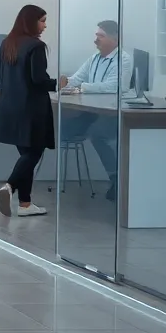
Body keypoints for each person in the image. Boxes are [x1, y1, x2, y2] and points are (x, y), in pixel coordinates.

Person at [57, 19, 132, 200]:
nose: (96, 40)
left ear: (115, 38)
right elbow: (76, 78)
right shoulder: (95, 58)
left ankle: (116, 179)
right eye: (96, 36)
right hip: (91, 111)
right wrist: (63, 83)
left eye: (101, 36)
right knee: (63, 129)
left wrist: (83, 88)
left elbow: (115, 86)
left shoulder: (124, 59)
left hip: (110, 112)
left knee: (98, 134)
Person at [0, 5, 54, 219]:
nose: (45, 25)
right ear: (31, 22)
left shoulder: (6, 43)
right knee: (33, 153)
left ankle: (25, 204)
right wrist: (59, 84)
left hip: (10, 108)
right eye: (42, 20)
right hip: (31, 110)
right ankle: (9, 186)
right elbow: (38, 80)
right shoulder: (36, 46)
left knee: (25, 155)